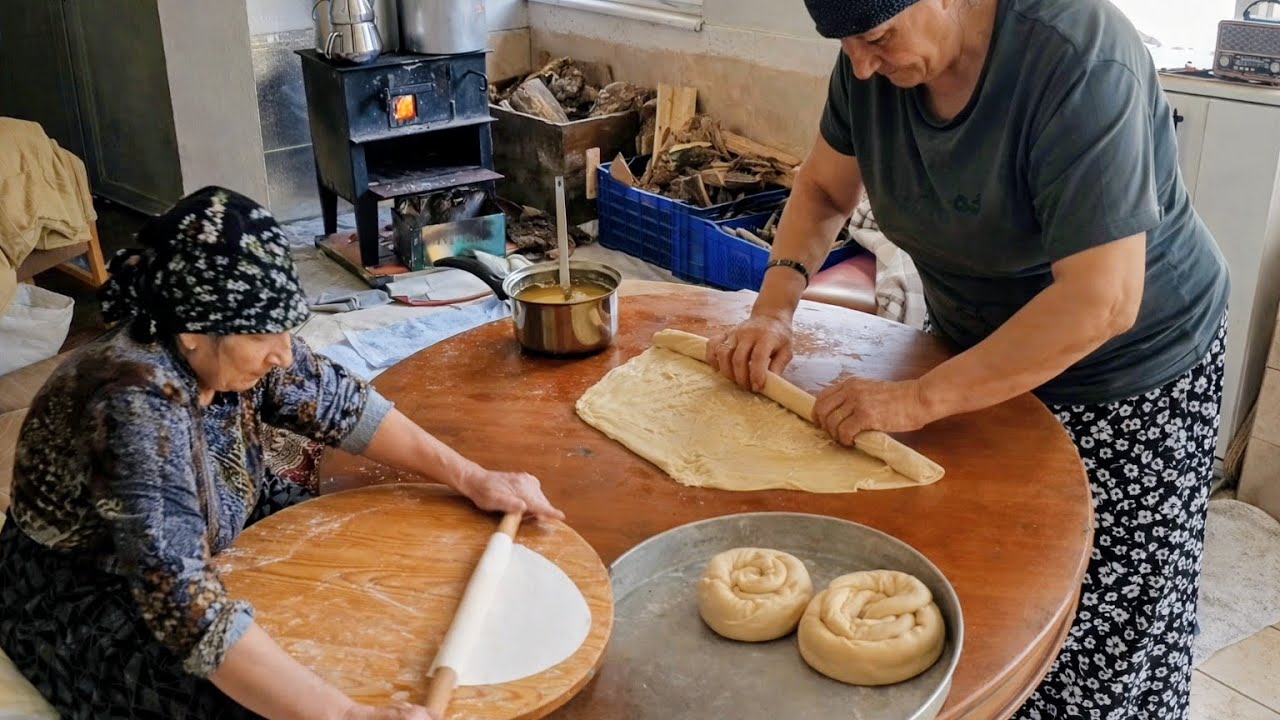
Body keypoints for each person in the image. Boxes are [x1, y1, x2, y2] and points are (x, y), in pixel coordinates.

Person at [707, 0, 1229, 717]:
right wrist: (773, 305)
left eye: (877, 39)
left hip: (1127, 375)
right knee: (989, 589)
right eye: (847, 45)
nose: (861, 65)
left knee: (1102, 617)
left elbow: (1102, 302)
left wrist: (920, 398)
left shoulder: (1075, 58)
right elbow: (827, 187)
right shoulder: (870, 60)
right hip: (971, 355)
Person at [0, 186, 563, 720]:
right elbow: (181, 600)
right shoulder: (132, 406)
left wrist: (471, 476)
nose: (283, 353)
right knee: (259, 704)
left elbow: (341, 403)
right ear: (192, 330)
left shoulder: (235, 346)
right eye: (265, 337)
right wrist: (342, 713)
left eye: (286, 330)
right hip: (93, 589)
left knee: (376, 565)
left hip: (232, 515)